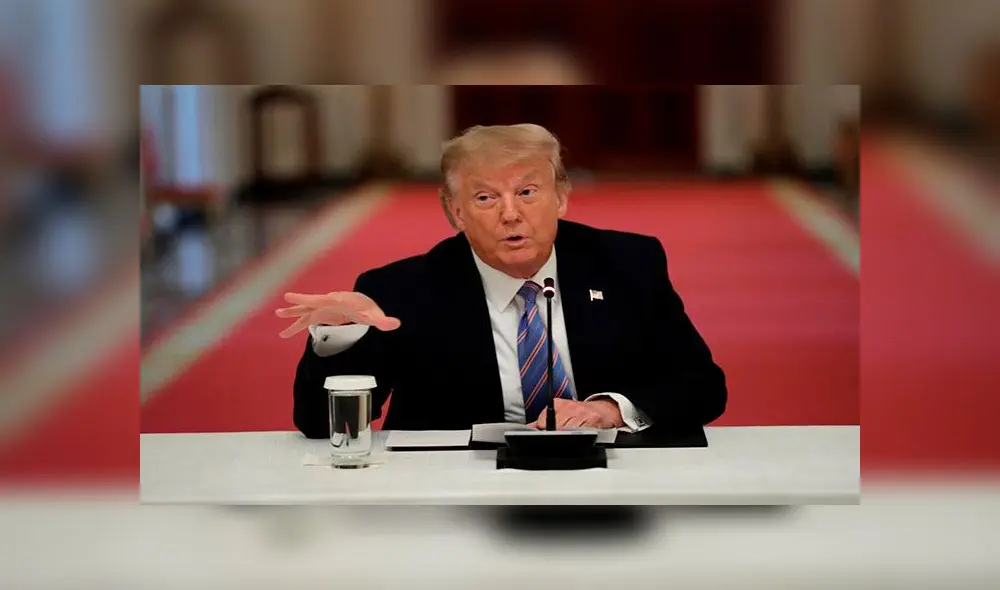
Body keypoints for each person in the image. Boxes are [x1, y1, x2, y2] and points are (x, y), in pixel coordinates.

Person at [277, 124, 726, 438]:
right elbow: (322, 426)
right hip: (459, 497)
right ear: (456, 212)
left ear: (562, 198)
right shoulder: (402, 290)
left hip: (602, 480)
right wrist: (338, 341)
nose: (510, 214)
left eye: (528, 192)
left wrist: (609, 410)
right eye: (485, 197)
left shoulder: (627, 264)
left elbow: (703, 386)